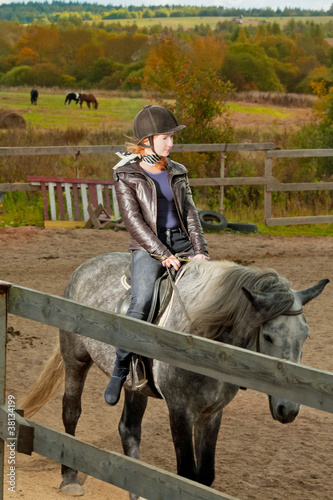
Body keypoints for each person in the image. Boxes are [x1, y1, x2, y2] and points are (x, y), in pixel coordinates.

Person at [104, 104, 210, 406]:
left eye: (172, 138)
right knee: (142, 301)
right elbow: (133, 222)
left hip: (183, 245)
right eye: (165, 138)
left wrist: (200, 251)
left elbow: (190, 214)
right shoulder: (126, 175)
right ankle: (120, 370)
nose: (171, 144)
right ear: (147, 140)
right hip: (148, 249)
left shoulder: (178, 171)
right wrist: (161, 253)